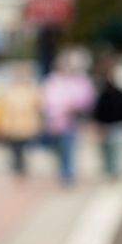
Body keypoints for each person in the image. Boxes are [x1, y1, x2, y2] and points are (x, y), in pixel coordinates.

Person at [41, 50, 95, 185]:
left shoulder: (77, 81)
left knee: (68, 147)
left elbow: (86, 98)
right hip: (54, 122)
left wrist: (75, 106)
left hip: (70, 121)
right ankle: (64, 171)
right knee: (58, 149)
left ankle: (67, 174)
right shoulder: (51, 81)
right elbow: (46, 101)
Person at [92, 55, 122, 179]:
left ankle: (116, 173)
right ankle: (111, 173)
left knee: (116, 151)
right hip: (108, 124)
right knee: (108, 151)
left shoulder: (121, 88)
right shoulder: (103, 89)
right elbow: (99, 108)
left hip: (118, 124)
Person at [0, 63, 41, 176]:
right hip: (13, 126)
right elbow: (4, 109)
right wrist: (4, 126)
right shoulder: (9, 89)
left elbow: (37, 107)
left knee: (26, 151)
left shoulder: (32, 89)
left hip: (27, 125)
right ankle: (18, 170)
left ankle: (22, 169)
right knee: (15, 151)